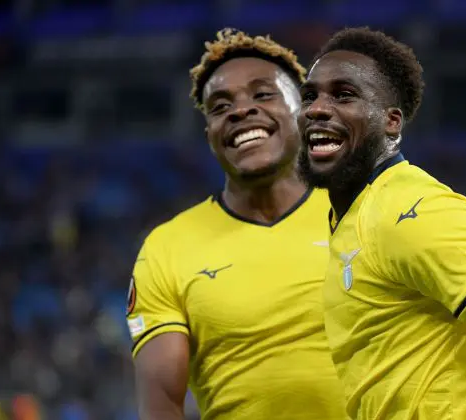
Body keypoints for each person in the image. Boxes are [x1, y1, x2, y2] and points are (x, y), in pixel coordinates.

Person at [297, 27, 466, 420]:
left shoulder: (416, 211)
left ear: (392, 122)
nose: (316, 108)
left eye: (344, 95)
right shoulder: (351, 216)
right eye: (309, 96)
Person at [126, 29, 347, 420]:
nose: (240, 110)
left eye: (263, 94)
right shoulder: (167, 249)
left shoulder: (366, 210)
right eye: (219, 106)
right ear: (210, 133)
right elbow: (160, 406)